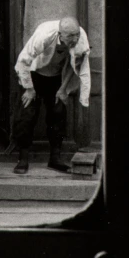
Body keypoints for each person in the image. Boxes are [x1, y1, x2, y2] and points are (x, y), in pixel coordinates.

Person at [11, 16, 92, 174]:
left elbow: (74, 64)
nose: (74, 39)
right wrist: (29, 88)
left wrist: (62, 89)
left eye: (76, 35)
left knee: (58, 114)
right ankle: (23, 159)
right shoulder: (44, 36)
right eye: (70, 36)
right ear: (60, 35)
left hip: (55, 77)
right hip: (34, 74)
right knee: (27, 114)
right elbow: (23, 61)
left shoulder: (80, 38)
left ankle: (55, 159)